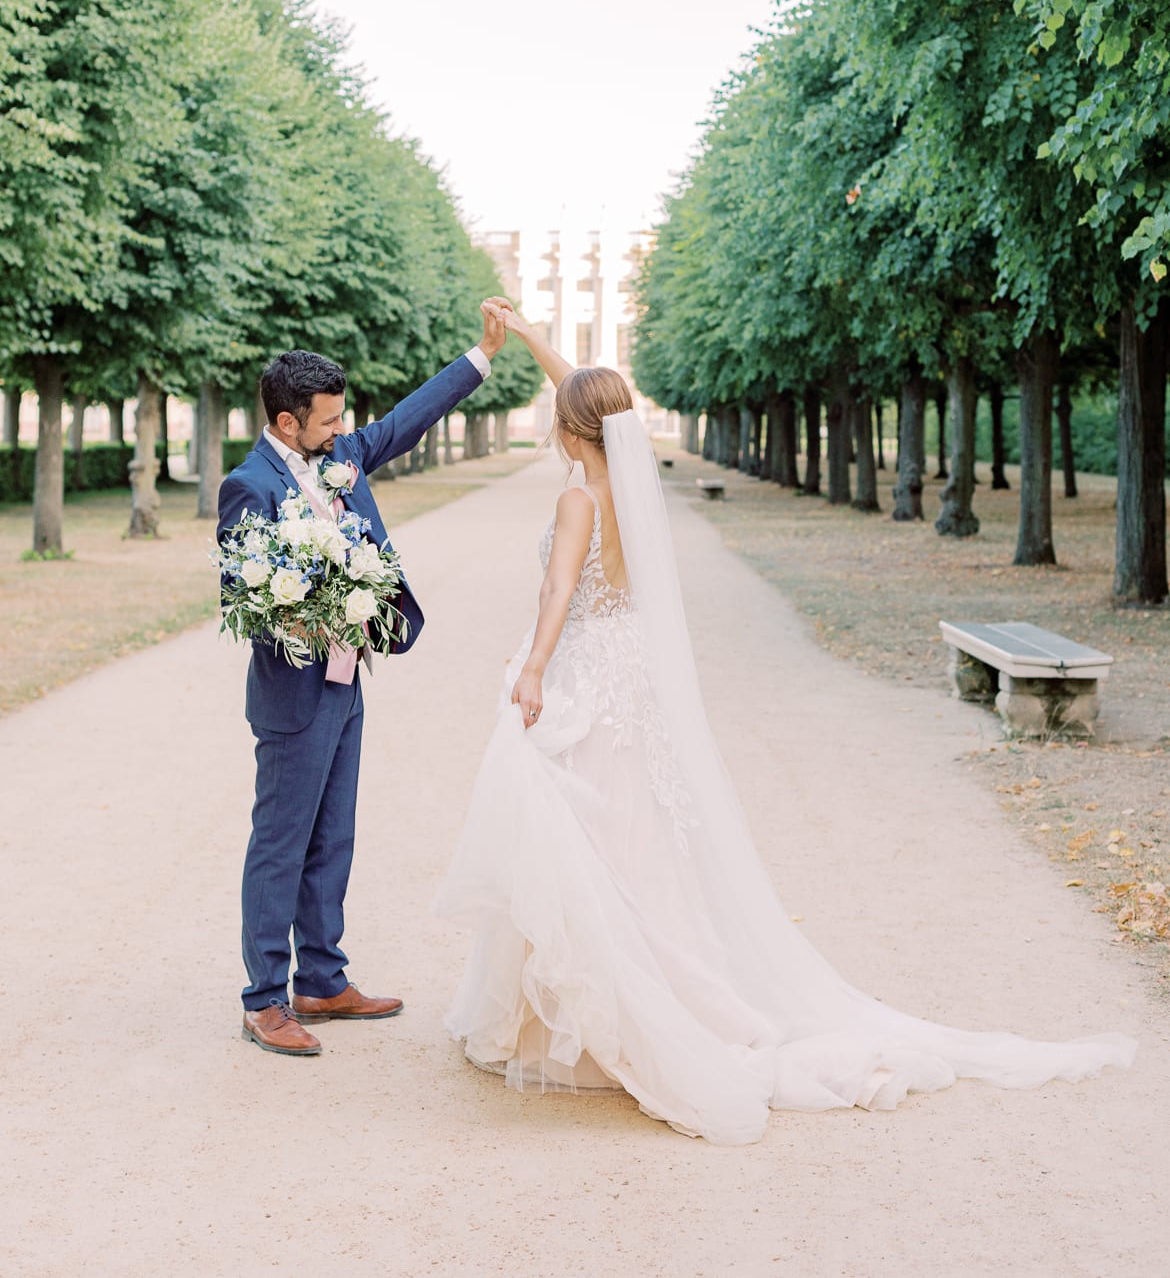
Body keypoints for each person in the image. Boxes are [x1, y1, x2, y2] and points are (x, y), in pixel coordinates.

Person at [437, 311, 1136, 1144]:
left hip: (586, 671)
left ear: (564, 430)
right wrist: (527, 334)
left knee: (579, 844)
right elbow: (590, 402)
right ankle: (612, 999)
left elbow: (557, 593)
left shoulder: (576, 495)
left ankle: (588, 1022)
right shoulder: (627, 481)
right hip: (631, 678)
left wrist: (532, 668)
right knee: (633, 839)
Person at [219, 303, 509, 1056]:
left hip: (349, 684)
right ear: (286, 423)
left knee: (334, 837)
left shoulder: (341, 455)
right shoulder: (247, 485)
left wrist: (479, 355)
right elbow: (239, 597)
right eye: (325, 421)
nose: (339, 430)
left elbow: (408, 421)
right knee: (281, 842)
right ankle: (264, 998)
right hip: (293, 694)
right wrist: (298, 620)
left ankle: (321, 977)